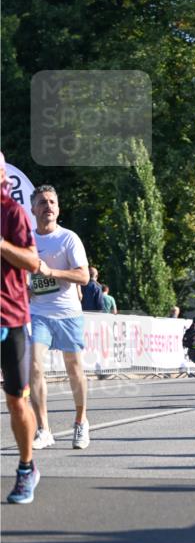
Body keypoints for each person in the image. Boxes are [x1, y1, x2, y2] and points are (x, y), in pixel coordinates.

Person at [29, 184, 91, 449]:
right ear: (33, 209)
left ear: (58, 208)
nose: (48, 207)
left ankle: (81, 422)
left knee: (74, 369)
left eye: (52, 202)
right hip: (38, 313)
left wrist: (51, 272)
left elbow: (84, 276)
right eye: (42, 203)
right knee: (34, 365)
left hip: (67, 313)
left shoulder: (68, 239)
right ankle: (43, 429)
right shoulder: (26, 241)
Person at [1, 154, 41, 502]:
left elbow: (32, 260)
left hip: (10, 319)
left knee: (15, 401)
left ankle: (27, 468)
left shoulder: (12, 213)